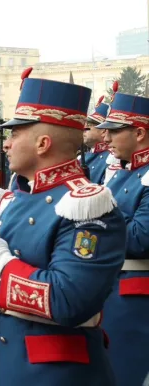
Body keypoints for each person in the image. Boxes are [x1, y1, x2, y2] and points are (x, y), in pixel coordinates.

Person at [0, 70, 126, 386]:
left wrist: (1, 263)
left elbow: (68, 300)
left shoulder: (86, 206)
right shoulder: (18, 198)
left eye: (15, 134)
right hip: (7, 358)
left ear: (42, 143)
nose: (6, 145)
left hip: (53, 371)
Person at [96, 91, 149, 385]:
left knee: (129, 371)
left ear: (139, 132)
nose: (106, 138)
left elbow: (142, 238)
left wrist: (93, 222)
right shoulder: (123, 174)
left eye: (115, 131)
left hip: (136, 296)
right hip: (112, 288)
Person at [82, 96, 112, 184]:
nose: (84, 129)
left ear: (103, 131)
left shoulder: (112, 159)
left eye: (89, 125)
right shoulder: (82, 157)